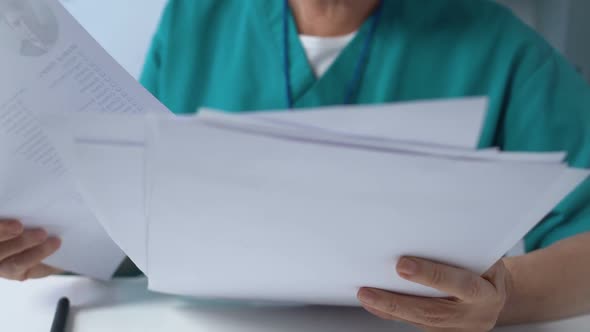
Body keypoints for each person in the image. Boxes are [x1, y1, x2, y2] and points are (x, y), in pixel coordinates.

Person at [0, 0, 589, 330]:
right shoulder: (195, 20)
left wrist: (506, 297)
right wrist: (45, 248)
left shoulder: (497, 46)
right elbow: (137, 217)